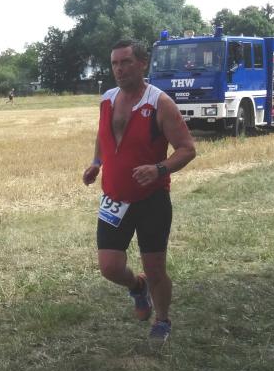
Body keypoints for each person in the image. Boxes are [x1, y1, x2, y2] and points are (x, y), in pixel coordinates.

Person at [82, 39, 196, 342]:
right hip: (114, 198)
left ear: (143, 64)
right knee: (109, 267)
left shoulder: (160, 103)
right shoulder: (107, 100)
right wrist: (96, 162)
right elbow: (103, 134)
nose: (119, 69)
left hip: (151, 201)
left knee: (155, 268)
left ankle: (162, 320)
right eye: (114, 63)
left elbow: (187, 149)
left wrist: (159, 169)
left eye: (126, 62)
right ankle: (137, 286)